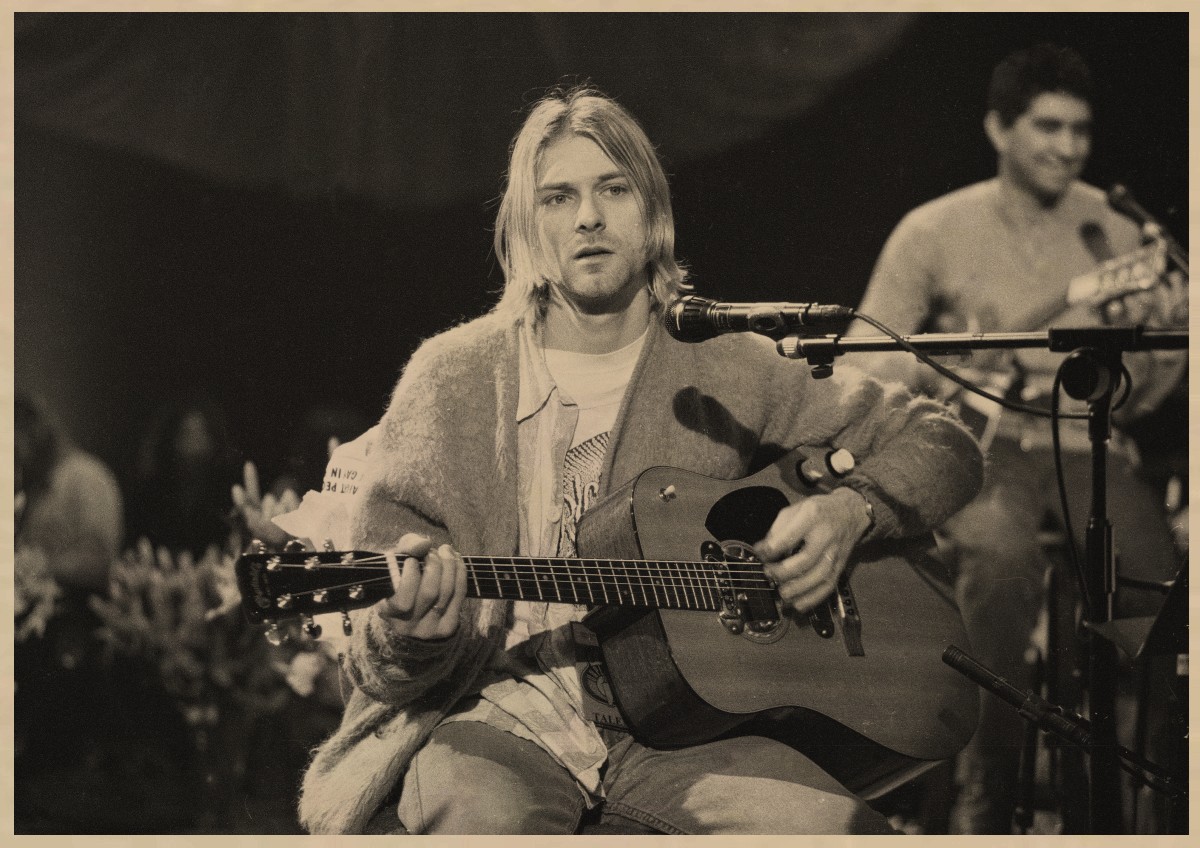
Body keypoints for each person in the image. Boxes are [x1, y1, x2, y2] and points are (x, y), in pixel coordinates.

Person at [293, 84, 983, 836]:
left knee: (839, 832)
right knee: (482, 821)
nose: (588, 217)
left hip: (685, 733)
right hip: (490, 714)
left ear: (653, 211)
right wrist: (411, 631)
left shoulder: (727, 363)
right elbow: (375, 648)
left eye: (613, 189)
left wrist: (852, 513)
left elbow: (941, 440)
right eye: (558, 198)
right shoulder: (450, 379)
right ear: (525, 225)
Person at [851, 44, 1187, 834]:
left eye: (1081, 130)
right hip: (980, 445)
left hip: (1082, 443)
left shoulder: (1115, 229)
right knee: (1001, 566)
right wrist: (947, 367)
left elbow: (1146, 392)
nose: (1068, 147)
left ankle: (1154, 807)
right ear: (999, 129)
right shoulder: (933, 229)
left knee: (1160, 586)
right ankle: (984, 803)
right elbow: (865, 359)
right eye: (1048, 127)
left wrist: (1163, 344)